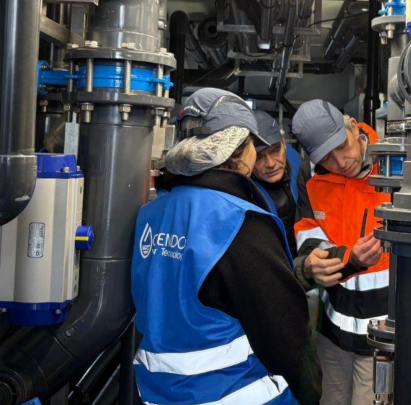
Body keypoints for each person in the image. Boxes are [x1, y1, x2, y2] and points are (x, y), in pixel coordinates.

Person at [131, 88, 309, 405]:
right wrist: (311, 391)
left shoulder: (150, 214)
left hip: (158, 392)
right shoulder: (239, 220)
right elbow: (285, 327)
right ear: (240, 150)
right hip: (237, 393)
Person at [291, 99, 391, 405]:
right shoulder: (311, 176)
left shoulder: (394, 162)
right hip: (334, 332)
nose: (340, 162)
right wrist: (312, 264)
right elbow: (309, 239)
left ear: (353, 127)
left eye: (341, 146)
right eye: (326, 157)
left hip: (384, 334)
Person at [251, 110, 302, 258]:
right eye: (259, 157)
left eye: (275, 151)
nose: (271, 164)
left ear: (284, 143)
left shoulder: (297, 162)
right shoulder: (244, 194)